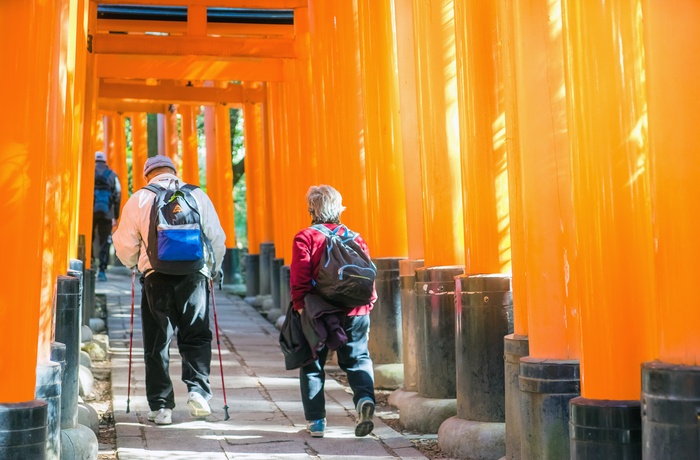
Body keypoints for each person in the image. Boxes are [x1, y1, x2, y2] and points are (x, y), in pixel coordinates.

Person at [113, 155, 226, 426]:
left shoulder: (139, 199)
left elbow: (124, 245)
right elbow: (217, 237)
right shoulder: (196, 195)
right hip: (194, 276)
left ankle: (161, 406)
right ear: (175, 172)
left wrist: (134, 264)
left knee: (157, 342)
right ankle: (198, 391)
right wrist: (213, 267)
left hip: (156, 277)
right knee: (196, 335)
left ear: (147, 175)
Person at [290, 184, 377, 438]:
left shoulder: (305, 237)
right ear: (339, 209)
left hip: (321, 312)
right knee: (358, 359)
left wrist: (299, 307)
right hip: (356, 310)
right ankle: (363, 400)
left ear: (310, 209)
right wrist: (367, 304)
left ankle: (316, 422)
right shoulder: (355, 237)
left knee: (312, 362)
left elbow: (300, 279)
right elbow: (367, 273)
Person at [92, 151, 121, 282]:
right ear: (105, 161)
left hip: (90, 213)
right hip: (107, 213)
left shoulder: (88, 172)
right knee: (104, 241)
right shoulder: (112, 175)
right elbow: (118, 195)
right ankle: (102, 270)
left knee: (89, 238)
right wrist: (115, 215)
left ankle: (90, 262)